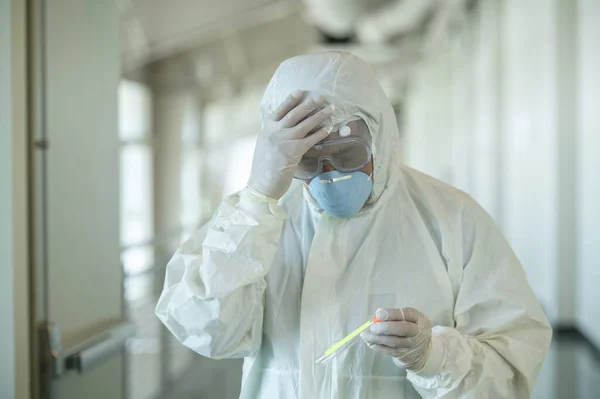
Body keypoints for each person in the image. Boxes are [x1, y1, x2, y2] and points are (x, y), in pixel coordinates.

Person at [155, 51, 552, 399]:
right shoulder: (255, 221)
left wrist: (433, 356)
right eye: (308, 161)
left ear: (380, 137)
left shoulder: (452, 218)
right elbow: (207, 329)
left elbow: (511, 369)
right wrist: (259, 194)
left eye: (347, 153)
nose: (329, 174)